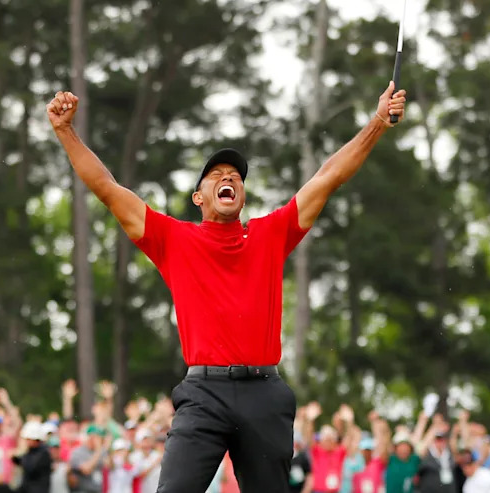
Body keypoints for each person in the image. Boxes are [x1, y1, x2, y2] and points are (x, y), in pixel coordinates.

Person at [46, 77, 406, 493]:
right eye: (216, 174)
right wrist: (65, 130)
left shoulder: (270, 234)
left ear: (243, 195)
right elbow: (108, 189)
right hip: (203, 394)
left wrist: (378, 121)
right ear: (199, 197)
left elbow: (328, 177)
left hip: (264, 393)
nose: (227, 177)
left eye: (234, 175)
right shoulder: (174, 239)